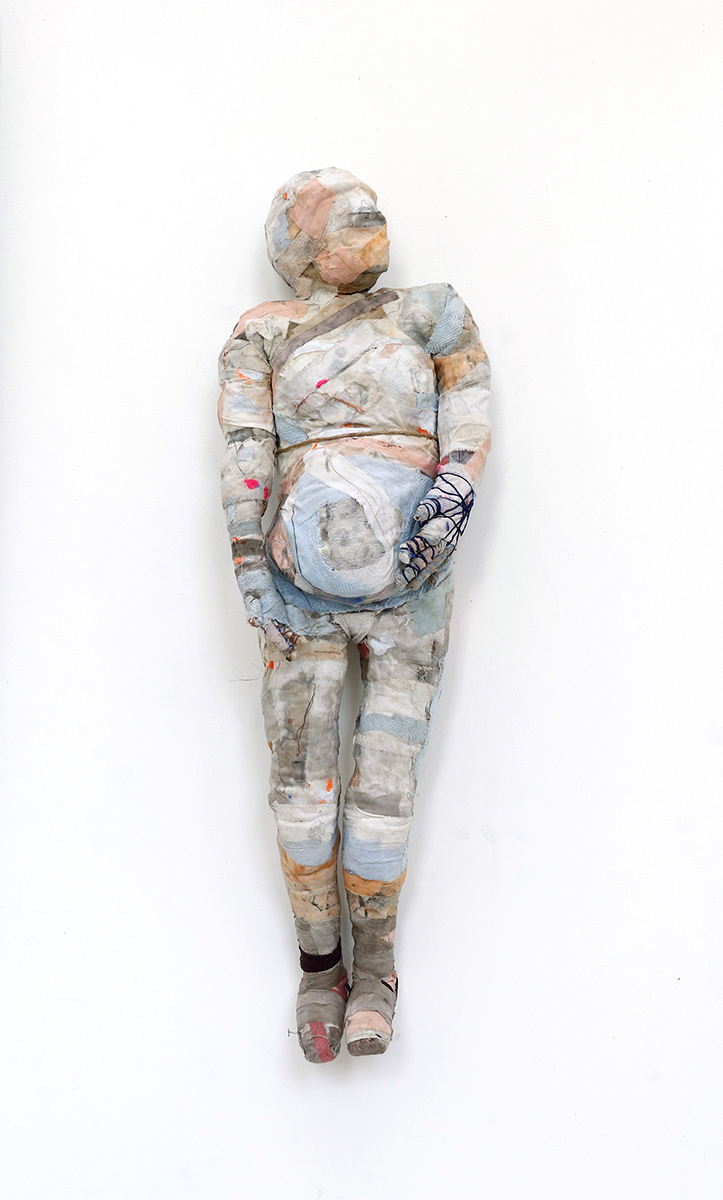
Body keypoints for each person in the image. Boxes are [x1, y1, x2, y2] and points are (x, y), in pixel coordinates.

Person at [218, 168, 491, 1061]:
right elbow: (245, 451)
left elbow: (469, 416)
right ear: (294, 242)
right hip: (297, 595)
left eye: (371, 205)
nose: (369, 216)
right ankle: (317, 970)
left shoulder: (431, 312)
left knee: (384, 793)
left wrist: (449, 500)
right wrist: (251, 571)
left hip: (411, 586)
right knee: (301, 794)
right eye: (341, 210)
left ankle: (375, 977)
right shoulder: (262, 332)